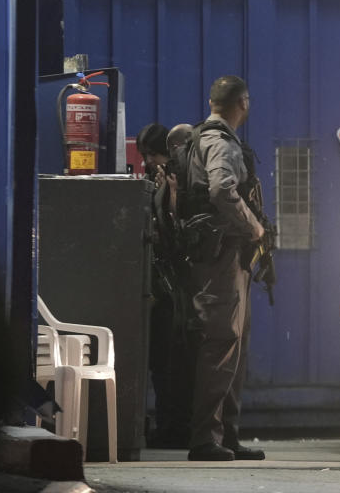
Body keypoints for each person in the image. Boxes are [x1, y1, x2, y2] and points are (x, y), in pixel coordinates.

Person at [182, 76, 265, 462]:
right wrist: (254, 227)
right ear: (243, 103)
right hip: (222, 257)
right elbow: (220, 190)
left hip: (228, 258)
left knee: (236, 344)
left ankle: (226, 435)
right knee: (222, 342)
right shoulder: (221, 143)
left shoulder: (203, 135)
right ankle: (205, 440)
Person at [137, 123, 193, 449]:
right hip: (166, 287)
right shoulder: (158, 182)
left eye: (153, 154)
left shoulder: (178, 184)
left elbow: (175, 233)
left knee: (169, 363)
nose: (148, 161)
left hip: (174, 289)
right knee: (163, 363)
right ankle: (169, 424)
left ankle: (174, 426)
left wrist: (168, 196)